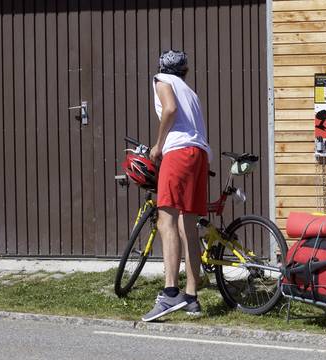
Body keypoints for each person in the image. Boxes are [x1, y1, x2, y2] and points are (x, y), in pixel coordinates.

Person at [142, 50, 213, 322]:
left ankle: (170, 292)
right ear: (186, 70)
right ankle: (191, 298)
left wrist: (159, 144)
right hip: (199, 154)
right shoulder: (191, 92)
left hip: (179, 153)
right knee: (188, 227)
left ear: (161, 67)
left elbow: (169, 109)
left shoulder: (161, 80)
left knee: (166, 220)